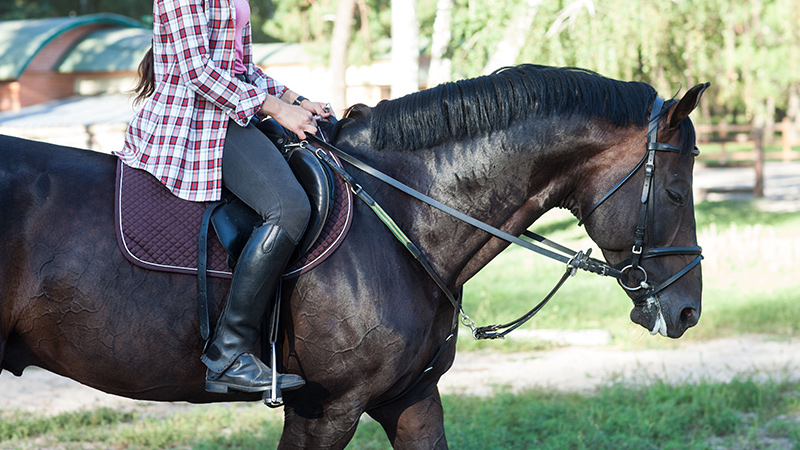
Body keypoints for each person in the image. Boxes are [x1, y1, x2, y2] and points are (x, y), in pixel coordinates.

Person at [116, 0, 333, 394]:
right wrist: (277, 110)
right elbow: (198, 72)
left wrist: (296, 100)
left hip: (232, 113)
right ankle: (229, 353)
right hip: (195, 122)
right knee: (288, 209)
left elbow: (240, 69)